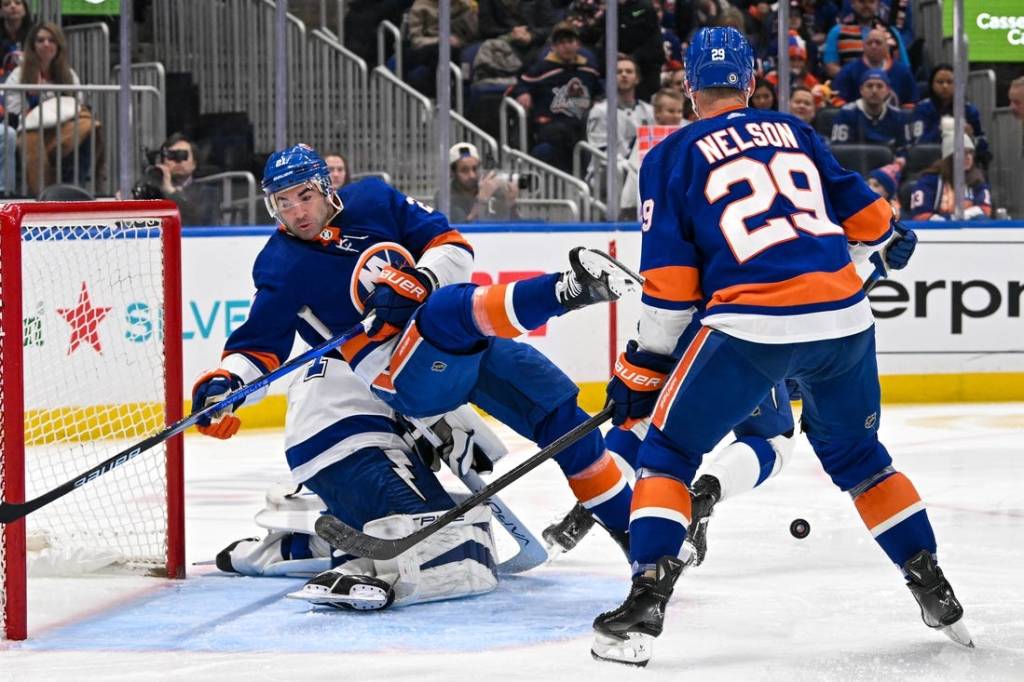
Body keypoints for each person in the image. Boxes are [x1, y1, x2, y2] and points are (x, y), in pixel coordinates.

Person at [590, 27, 970, 667]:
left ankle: (647, 600)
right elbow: (876, 224)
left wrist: (642, 367)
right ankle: (931, 583)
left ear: (688, 86)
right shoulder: (796, 132)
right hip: (845, 321)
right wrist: (889, 239)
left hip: (750, 328)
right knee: (860, 457)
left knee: (670, 452)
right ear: (752, 80)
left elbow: (671, 293)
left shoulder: (668, 155)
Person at [191, 143, 492, 609]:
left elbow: (451, 248)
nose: (295, 212)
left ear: (327, 189)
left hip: (412, 375)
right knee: (445, 547)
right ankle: (326, 542)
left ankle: (307, 542)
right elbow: (260, 345)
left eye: (303, 196)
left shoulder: (373, 201)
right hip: (345, 397)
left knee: (452, 537)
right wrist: (227, 386)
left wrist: (420, 281)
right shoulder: (281, 261)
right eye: (282, 202)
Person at [5, 22, 95, 196]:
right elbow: (14, 110)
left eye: (51, 40)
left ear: (58, 45)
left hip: (63, 130)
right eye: (40, 40)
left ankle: (76, 186)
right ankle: (41, 194)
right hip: (29, 129)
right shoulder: (19, 74)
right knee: (32, 138)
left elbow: (77, 106)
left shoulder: (69, 74)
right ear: (33, 46)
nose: (46, 44)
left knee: (90, 127)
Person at [510, 21, 602, 172]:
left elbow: (598, 91)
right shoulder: (541, 69)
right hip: (549, 125)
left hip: (580, 124)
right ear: (553, 47)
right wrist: (523, 92)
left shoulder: (589, 70)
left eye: (570, 41)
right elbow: (521, 84)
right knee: (560, 135)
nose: (566, 46)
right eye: (561, 43)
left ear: (578, 45)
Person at [133, 133, 220, 226]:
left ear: (194, 163)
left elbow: (198, 221)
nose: (178, 161)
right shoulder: (153, 192)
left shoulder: (208, 194)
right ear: (163, 162)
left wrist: (171, 192)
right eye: (172, 156)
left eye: (183, 155)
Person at [910, 65, 989, 164]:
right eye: (940, 82)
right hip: (930, 163)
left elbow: (983, 144)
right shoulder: (922, 109)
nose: (945, 86)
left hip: (964, 165)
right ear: (932, 85)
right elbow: (917, 142)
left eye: (950, 82)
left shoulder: (969, 110)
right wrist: (943, 129)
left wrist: (971, 137)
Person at [831, 69, 910, 162]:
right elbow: (839, 150)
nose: (874, 91)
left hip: (887, 168)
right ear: (861, 90)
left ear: (888, 91)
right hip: (854, 165)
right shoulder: (846, 113)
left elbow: (905, 149)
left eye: (879, 86)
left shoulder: (898, 116)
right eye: (869, 86)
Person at [908, 132, 991, 221]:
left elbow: (985, 210)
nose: (968, 157)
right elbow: (921, 216)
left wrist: (962, 216)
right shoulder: (929, 181)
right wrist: (950, 222)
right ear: (949, 157)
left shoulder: (977, 180)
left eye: (970, 153)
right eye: (963, 152)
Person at [406, 0, 478, 98]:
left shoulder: (462, 4)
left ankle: (462, 92)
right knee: (442, 52)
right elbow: (416, 40)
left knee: (468, 55)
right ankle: (442, 95)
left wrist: (473, 13)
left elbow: (471, 32)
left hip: (457, 43)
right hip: (429, 46)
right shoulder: (420, 5)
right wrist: (441, 40)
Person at [831, 27, 916, 109]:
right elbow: (837, 101)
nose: (873, 46)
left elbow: (911, 104)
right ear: (863, 47)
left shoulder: (902, 71)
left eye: (878, 42)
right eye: (869, 43)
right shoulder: (848, 71)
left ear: (887, 47)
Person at [822, 0, 909, 79]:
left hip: (887, 87)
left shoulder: (892, 32)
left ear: (878, 4)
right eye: (861, 1)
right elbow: (830, 66)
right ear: (852, 3)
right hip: (850, 89)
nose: (866, 6)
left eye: (871, 2)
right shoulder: (837, 31)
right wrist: (856, 78)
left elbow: (905, 66)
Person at [435, 142, 519, 222]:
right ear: (452, 172)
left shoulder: (491, 190)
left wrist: (511, 205)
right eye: (464, 170)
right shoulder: (444, 196)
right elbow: (462, 231)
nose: (472, 175)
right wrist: (481, 201)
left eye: (475, 169)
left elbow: (514, 228)